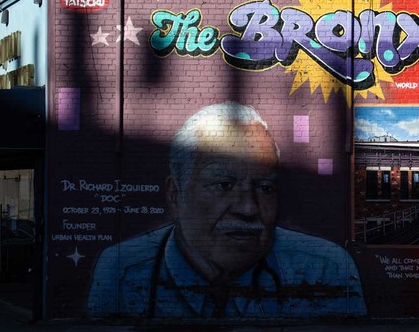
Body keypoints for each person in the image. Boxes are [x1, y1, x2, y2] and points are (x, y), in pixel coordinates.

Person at [88, 102, 366, 318]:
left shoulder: (325, 268)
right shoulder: (121, 271)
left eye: (265, 188)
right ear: (175, 194)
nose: (248, 208)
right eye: (223, 185)